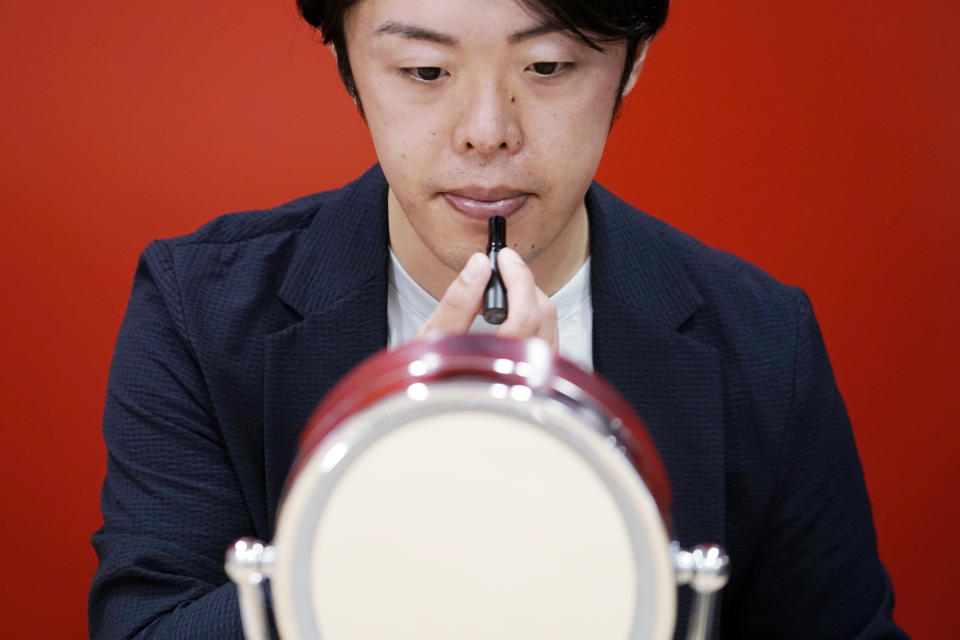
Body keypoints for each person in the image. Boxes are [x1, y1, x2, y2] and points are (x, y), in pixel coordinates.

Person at [89, 0, 907, 638]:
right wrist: (397, 496)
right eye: (422, 70)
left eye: (549, 65)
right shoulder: (198, 304)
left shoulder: (764, 341)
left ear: (632, 62)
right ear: (345, 60)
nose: (488, 133)